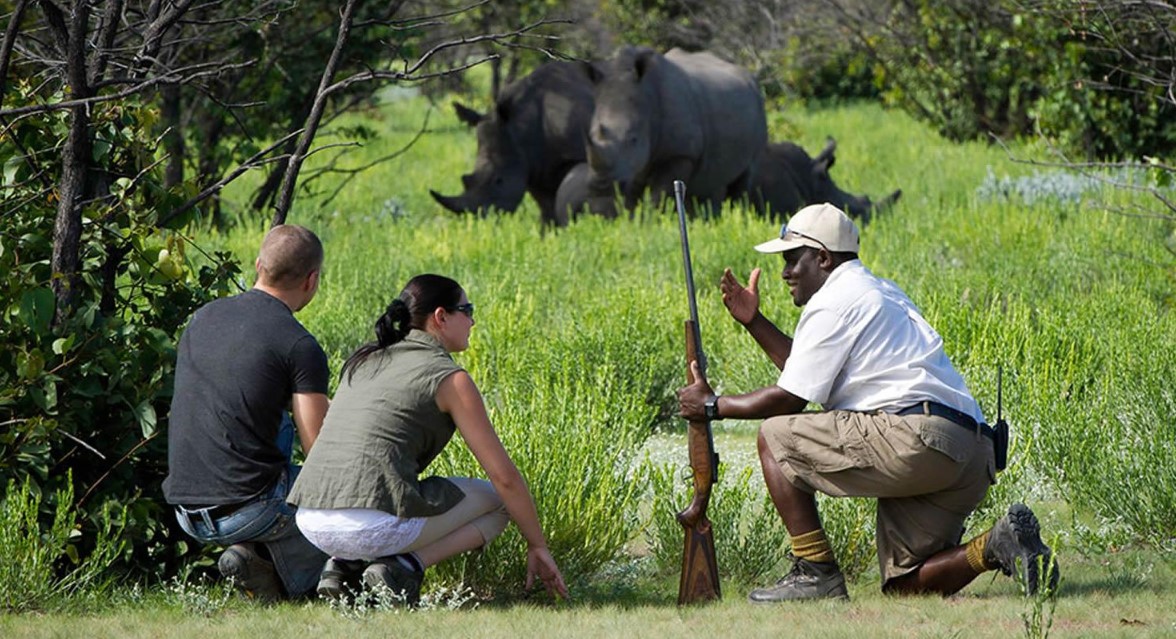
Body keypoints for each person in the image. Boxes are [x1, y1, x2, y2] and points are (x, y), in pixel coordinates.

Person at [677, 203, 1058, 602]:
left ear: (823, 258)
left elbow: (789, 399)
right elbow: (804, 372)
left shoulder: (833, 301)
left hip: (914, 439)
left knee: (774, 435)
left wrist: (711, 406)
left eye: (792, 260)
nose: (785, 272)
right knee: (904, 585)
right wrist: (755, 322)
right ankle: (998, 544)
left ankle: (814, 572)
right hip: (972, 449)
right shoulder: (879, 290)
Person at [287, 274, 569, 604]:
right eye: (467, 309)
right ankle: (404, 568)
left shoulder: (363, 360)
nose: (473, 321)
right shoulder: (450, 378)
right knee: (499, 501)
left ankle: (342, 566)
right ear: (441, 316)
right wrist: (538, 546)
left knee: (387, 489)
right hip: (368, 526)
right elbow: (505, 478)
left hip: (310, 520)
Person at [163, 224, 331, 602]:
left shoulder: (202, 319)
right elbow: (319, 454)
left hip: (186, 510)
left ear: (258, 265)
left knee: (279, 422)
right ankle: (311, 581)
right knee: (343, 496)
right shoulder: (299, 344)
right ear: (312, 280)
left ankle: (255, 562)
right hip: (250, 509)